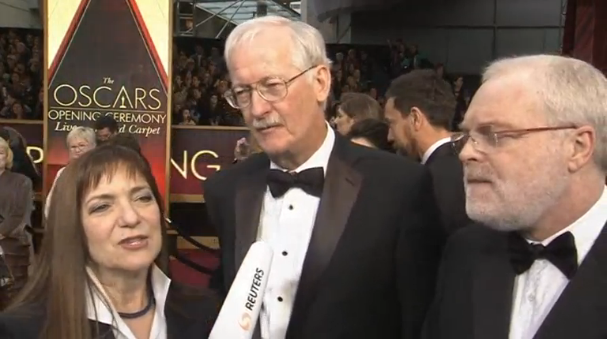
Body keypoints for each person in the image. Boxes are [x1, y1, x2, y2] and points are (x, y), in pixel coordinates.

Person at [205, 16, 443, 339]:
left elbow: (420, 321)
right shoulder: (227, 190)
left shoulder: (398, 187)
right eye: (242, 93)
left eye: (272, 86)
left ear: (320, 82)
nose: (257, 108)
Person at [423, 55, 607, 339]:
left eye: (494, 135)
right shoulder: (465, 250)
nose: (465, 153)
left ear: (578, 147)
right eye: (467, 136)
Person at [0, 145, 218, 339]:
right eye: (102, 207)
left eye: (142, 198)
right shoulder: (24, 329)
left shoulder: (208, 312)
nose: (131, 217)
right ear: (72, 227)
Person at [384, 69, 469, 235]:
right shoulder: (468, 165)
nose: (389, 137)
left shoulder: (426, 183)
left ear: (415, 118)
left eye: (391, 123)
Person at [0, 137, 33, 309]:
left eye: (0, 152)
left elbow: (20, 213)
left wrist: (2, 232)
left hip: (12, 248)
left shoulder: (22, 182)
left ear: (7, 157)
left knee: (13, 301)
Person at [45, 126, 96, 218]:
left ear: (93, 147)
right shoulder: (63, 173)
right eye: (73, 147)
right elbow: (50, 204)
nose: (77, 150)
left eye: (82, 145)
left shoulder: (102, 171)